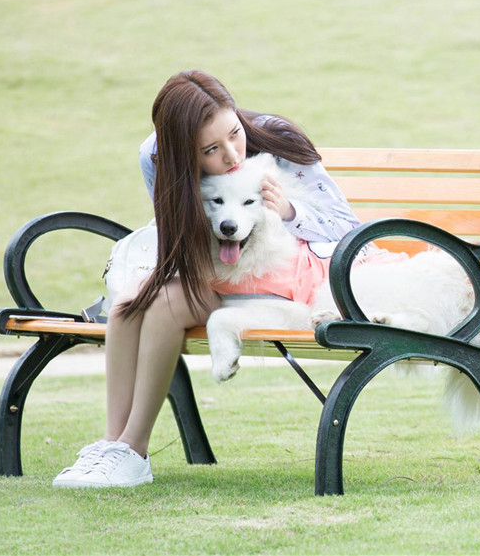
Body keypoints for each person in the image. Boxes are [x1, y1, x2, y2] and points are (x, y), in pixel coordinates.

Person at [53, 70, 360, 488]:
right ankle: (112, 445)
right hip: (211, 273)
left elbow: (347, 228)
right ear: (184, 153)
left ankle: (134, 449)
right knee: (128, 304)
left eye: (234, 134)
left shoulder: (276, 139)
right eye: (211, 150)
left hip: (279, 283)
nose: (232, 155)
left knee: (162, 307)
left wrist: (290, 211)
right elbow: (175, 227)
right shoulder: (156, 156)